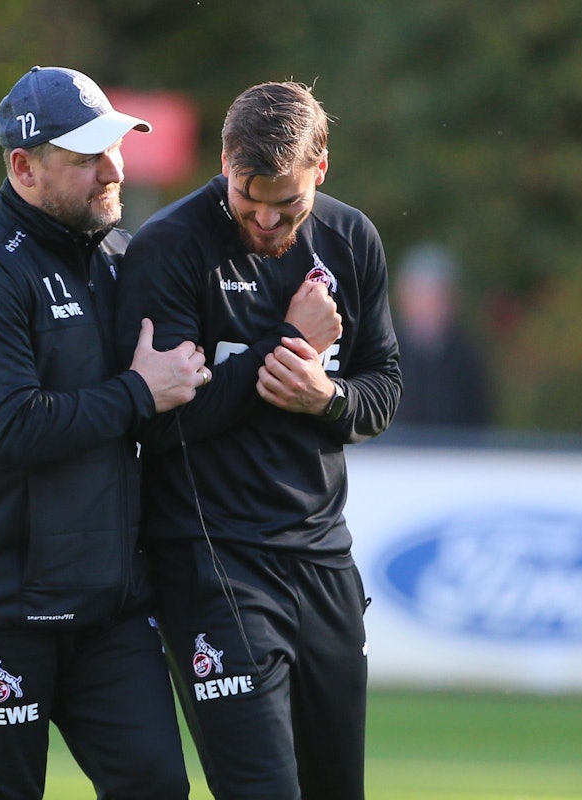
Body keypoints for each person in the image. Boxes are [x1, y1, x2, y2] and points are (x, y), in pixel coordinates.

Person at [0, 66, 210, 800]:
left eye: (114, 148)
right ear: (24, 168)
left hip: (108, 606)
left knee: (156, 786)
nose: (113, 170)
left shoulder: (118, 256)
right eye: (86, 156)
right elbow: (10, 429)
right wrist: (139, 392)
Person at [115, 81, 402, 800]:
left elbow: (382, 390)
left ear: (321, 169)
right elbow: (158, 423)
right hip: (210, 559)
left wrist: (326, 396)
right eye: (248, 196)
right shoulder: (170, 248)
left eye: (288, 202)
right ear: (223, 161)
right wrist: (287, 343)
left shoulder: (351, 239)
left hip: (322, 559)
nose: (267, 218)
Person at [392, 242, 493, 428]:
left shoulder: (468, 359)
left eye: (437, 297)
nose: (429, 307)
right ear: (403, 298)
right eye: (420, 297)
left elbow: (478, 423)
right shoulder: (381, 355)